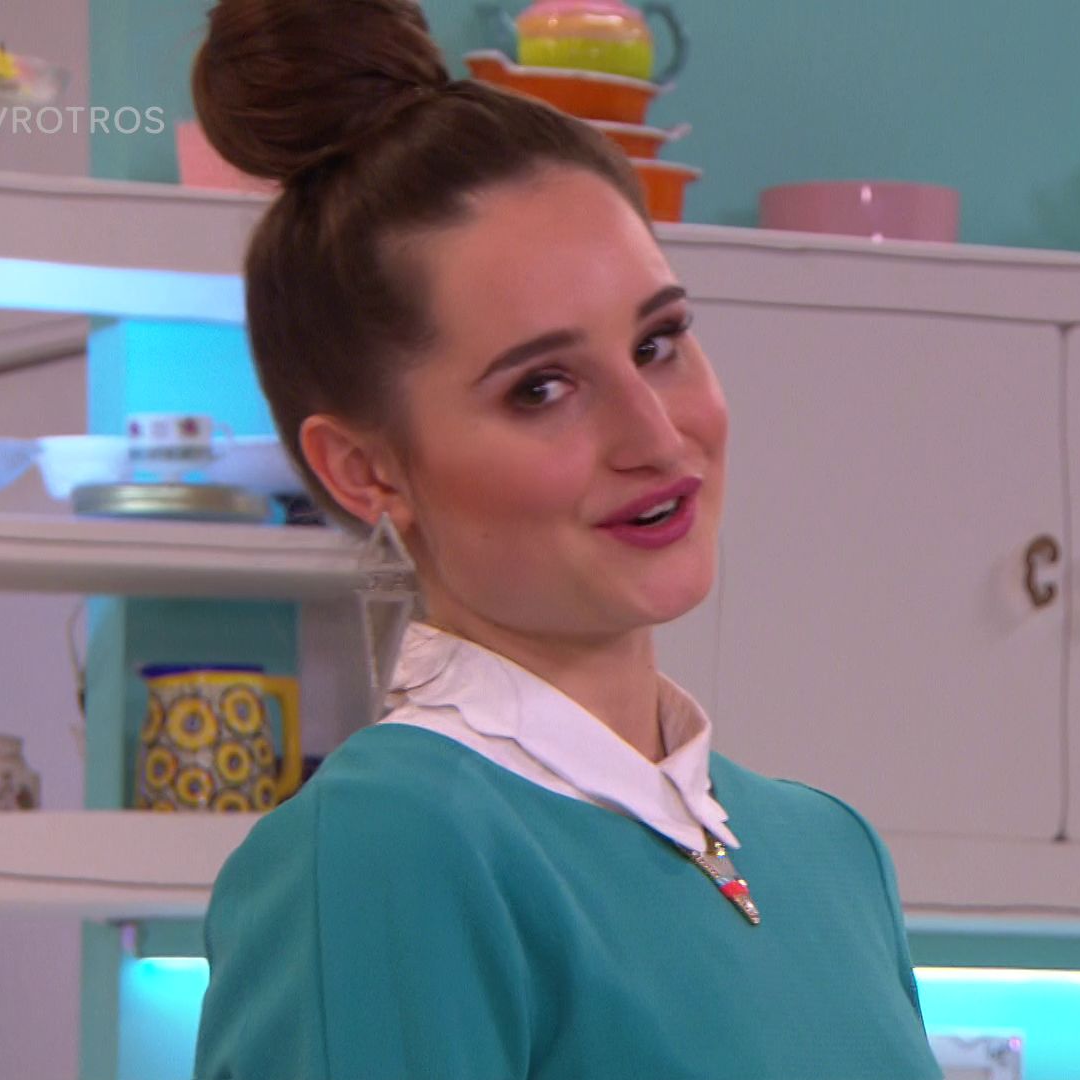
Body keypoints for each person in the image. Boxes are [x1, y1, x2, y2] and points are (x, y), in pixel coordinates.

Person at [186, 1, 944, 1077]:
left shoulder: (830, 855)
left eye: (659, 342)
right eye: (541, 388)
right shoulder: (385, 847)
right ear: (364, 470)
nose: (655, 434)